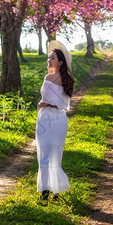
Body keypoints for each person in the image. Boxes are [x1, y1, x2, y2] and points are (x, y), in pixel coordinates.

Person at [36, 40, 74, 201]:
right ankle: (52, 191)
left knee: (48, 155)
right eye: (49, 57)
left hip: (48, 117)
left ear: (60, 62)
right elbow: (64, 104)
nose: (49, 60)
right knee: (52, 155)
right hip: (56, 118)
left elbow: (51, 101)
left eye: (52, 58)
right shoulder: (67, 80)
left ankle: (47, 191)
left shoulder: (50, 77)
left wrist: (44, 104)